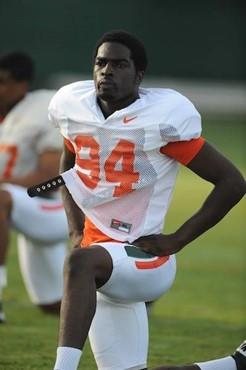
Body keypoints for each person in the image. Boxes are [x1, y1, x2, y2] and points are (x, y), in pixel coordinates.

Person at [44, 30, 245, 370]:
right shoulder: (75, 110)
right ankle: (234, 364)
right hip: (101, 266)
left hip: (142, 259)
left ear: (139, 76)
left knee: (79, 262)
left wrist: (177, 240)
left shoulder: (160, 121)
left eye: (119, 64)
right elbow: (70, 163)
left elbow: (232, 182)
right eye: (101, 63)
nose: (107, 71)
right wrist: (75, 228)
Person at [0, 51, 69, 322]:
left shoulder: (41, 108)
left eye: (2, 81)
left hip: (53, 207)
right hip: (19, 205)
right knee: (53, 306)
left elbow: (49, 178)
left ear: (22, 85)